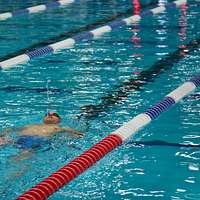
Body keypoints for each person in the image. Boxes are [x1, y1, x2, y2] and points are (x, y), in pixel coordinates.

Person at [0, 112, 84, 151]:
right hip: (18, 139)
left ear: (59, 120)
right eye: (47, 114)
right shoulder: (31, 125)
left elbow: (79, 134)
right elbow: (11, 129)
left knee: (21, 157)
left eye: (54, 115)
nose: (49, 115)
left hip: (35, 140)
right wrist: (4, 134)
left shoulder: (60, 127)